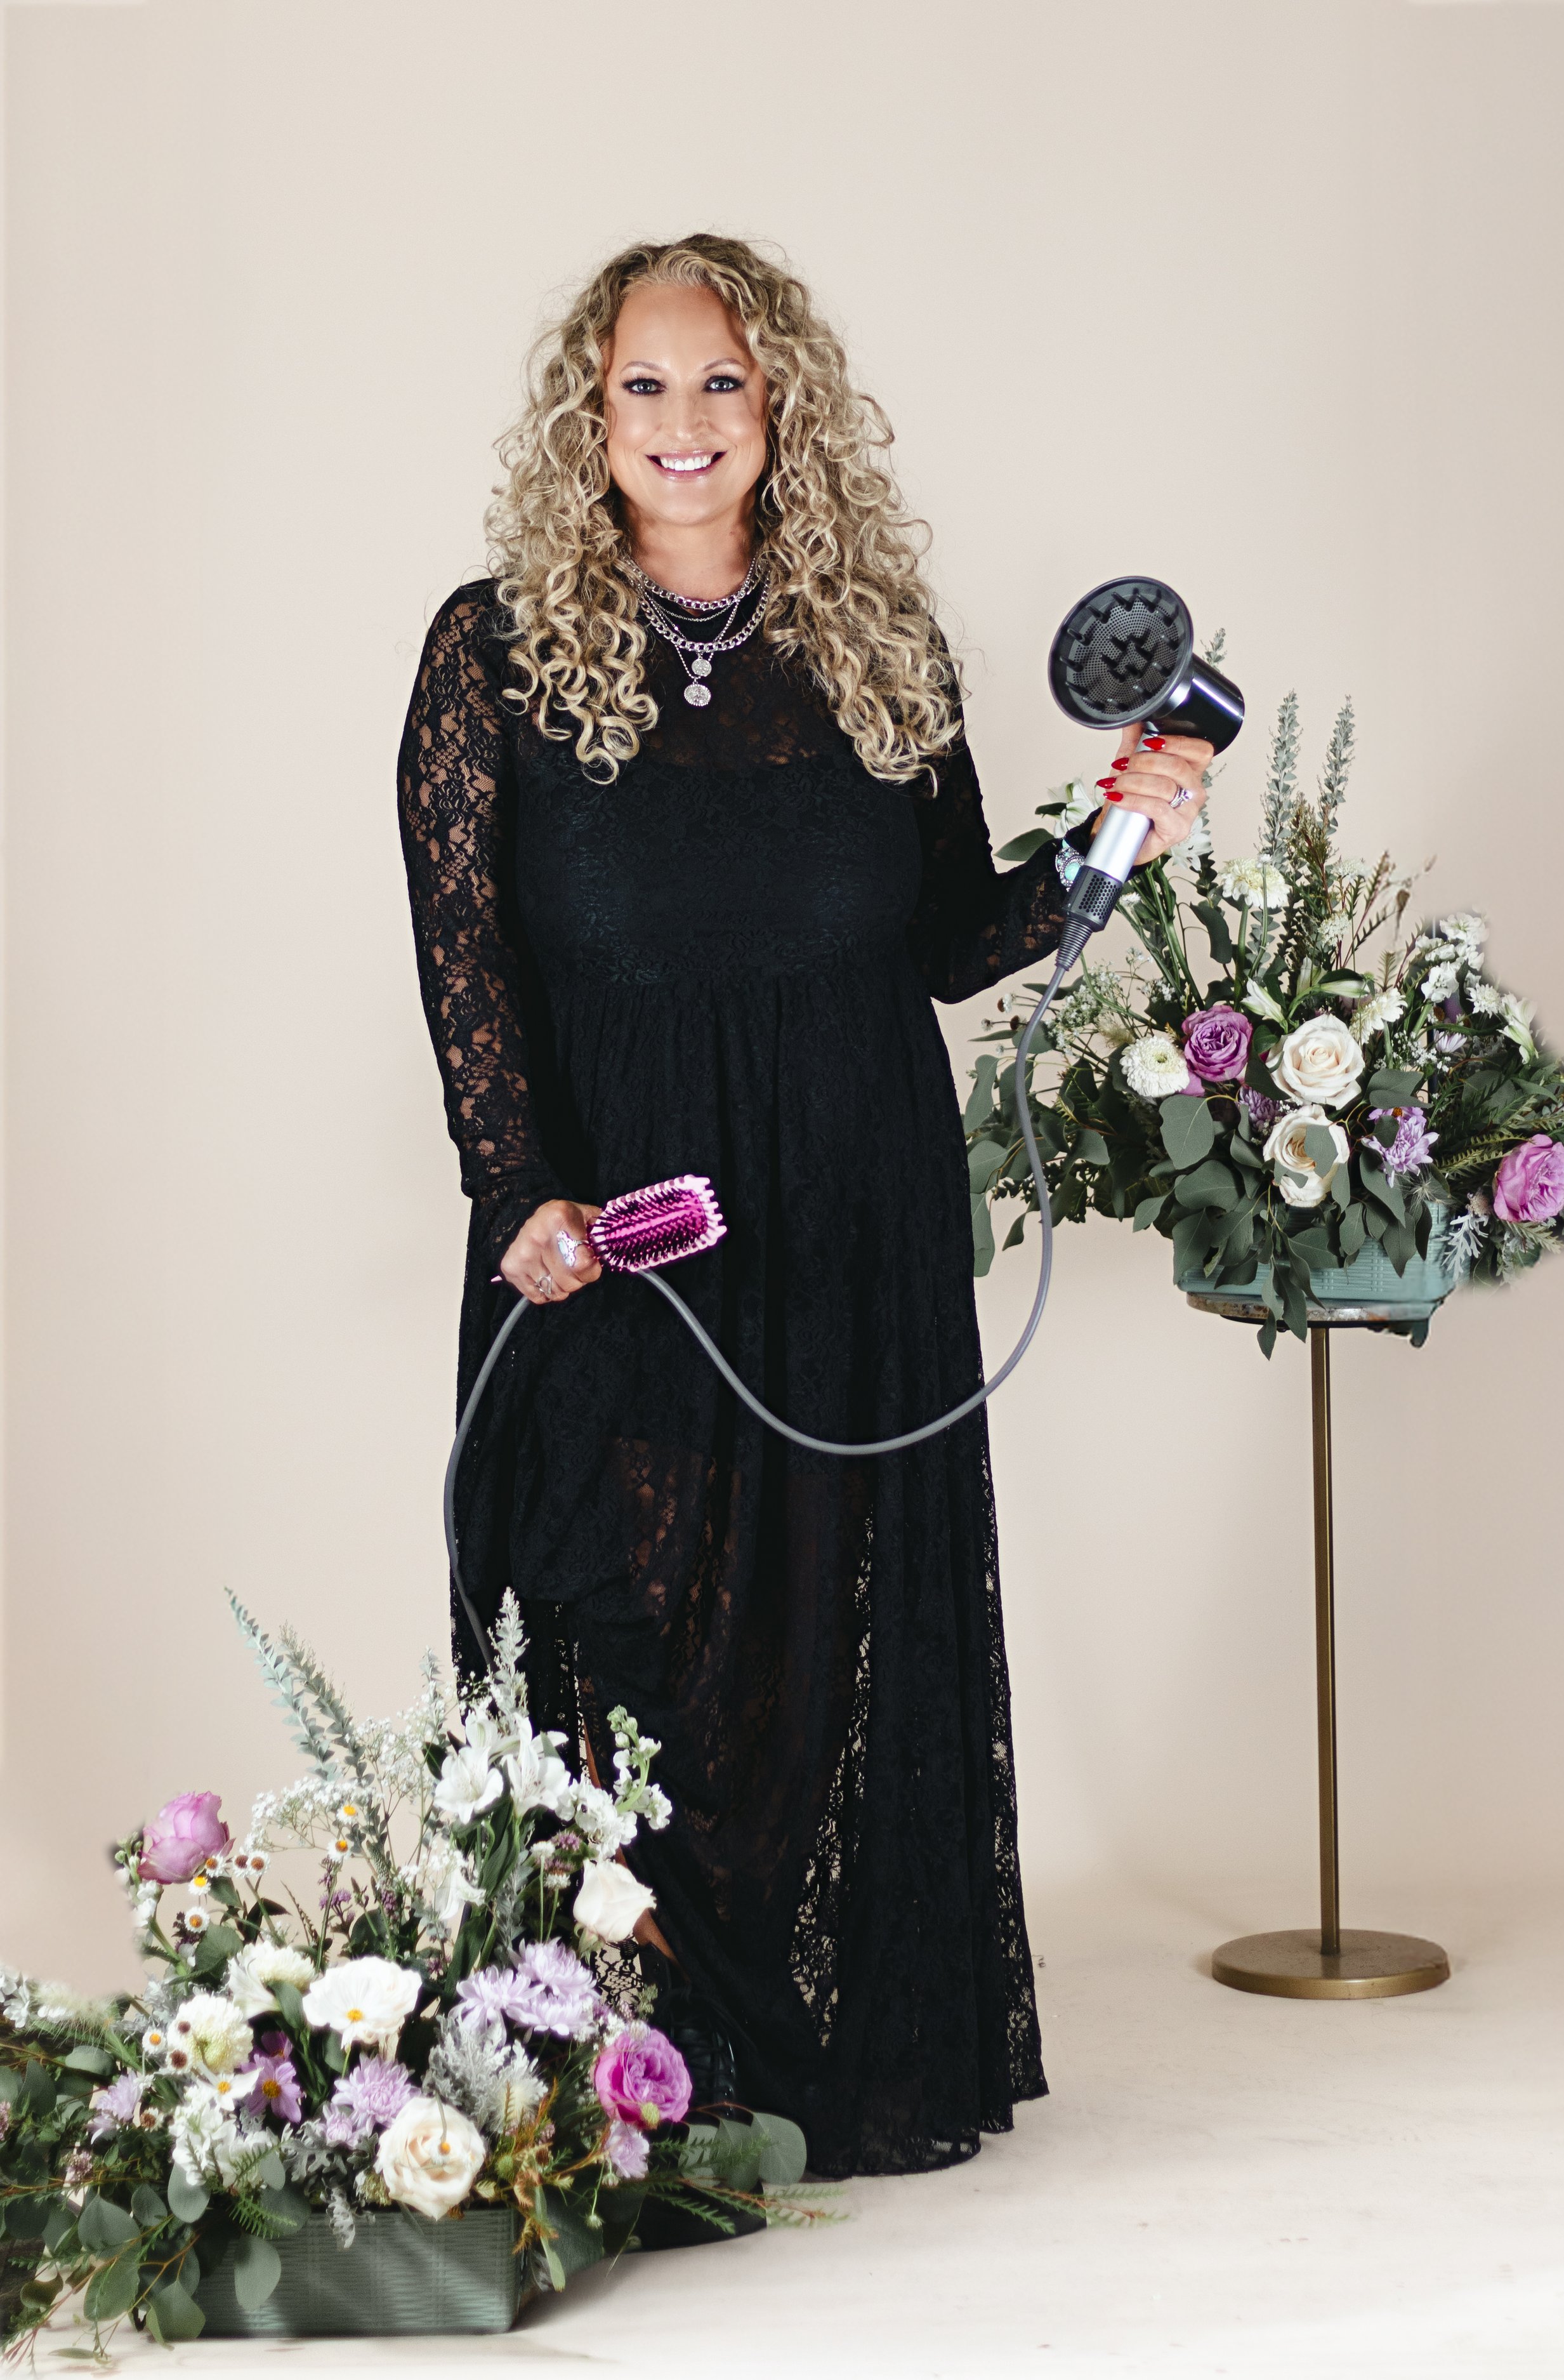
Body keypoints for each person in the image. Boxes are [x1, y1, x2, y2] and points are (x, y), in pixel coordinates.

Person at [397, 234, 1208, 2179]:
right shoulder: (491, 646)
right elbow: (464, 943)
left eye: (722, 387)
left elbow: (942, 939)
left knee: (830, 1632)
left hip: (853, 1203)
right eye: (643, 390)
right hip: (618, 1221)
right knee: (615, 1614)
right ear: (586, 420)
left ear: (784, 412)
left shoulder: (877, 639)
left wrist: (1112, 837)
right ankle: (624, 2073)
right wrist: (516, 1184)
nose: (684, 427)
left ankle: (841, 2064)